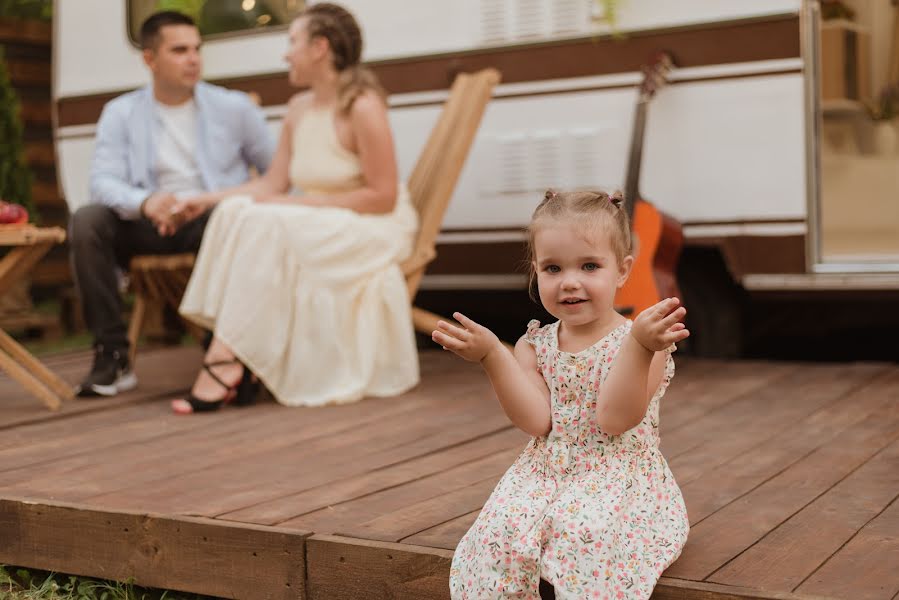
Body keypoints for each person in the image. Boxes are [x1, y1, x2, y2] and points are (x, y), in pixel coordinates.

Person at [434, 190, 691, 599]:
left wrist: (641, 347)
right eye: (553, 268)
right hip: (544, 473)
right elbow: (537, 421)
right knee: (502, 531)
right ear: (536, 271)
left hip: (619, 476)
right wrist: (492, 356)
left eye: (590, 266)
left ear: (622, 270)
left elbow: (614, 419)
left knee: (585, 532)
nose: (570, 282)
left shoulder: (641, 339)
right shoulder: (535, 345)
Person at [169, 2, 419, 413]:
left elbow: (383, 196)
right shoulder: (298, 108)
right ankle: (235, 355)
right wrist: (204, 200)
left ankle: (225, 361)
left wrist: (301, 204)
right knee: (237, 213)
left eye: (293, 42)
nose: (286, 53)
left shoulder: (362, 106)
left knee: (267, 220)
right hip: (321, 215)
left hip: (373, 223)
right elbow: (271, 184)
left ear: (319, 47)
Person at [70, 11, 274, 398]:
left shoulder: (235, 108)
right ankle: (112, 355)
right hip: (144, 224)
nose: (193, 58)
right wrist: (147, 203)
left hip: (210, 222)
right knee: (87, 221)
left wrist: (210, 201)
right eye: (179, 50)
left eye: (197, 49)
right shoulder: (121, 112)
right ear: (149, 59)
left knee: (230, 218)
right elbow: (102, 181)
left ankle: (229, 352)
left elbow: (276, 175)